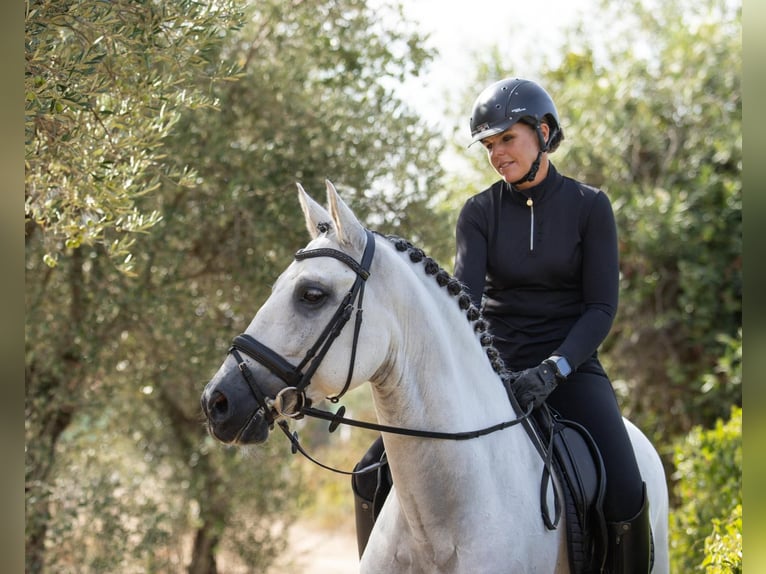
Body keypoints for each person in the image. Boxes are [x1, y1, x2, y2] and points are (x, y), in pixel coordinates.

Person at [453, 77, 651, 573]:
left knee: (625, 489)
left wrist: (555, 368)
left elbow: (601, 308)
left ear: (542, 131)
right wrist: (478, 370)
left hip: (570, 366)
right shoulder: (477, 213)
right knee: (375, 468)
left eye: (506, 139)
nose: (497, 154)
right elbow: (467, 305)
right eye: (489, 145)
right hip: (495, 370)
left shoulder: (590, 207)